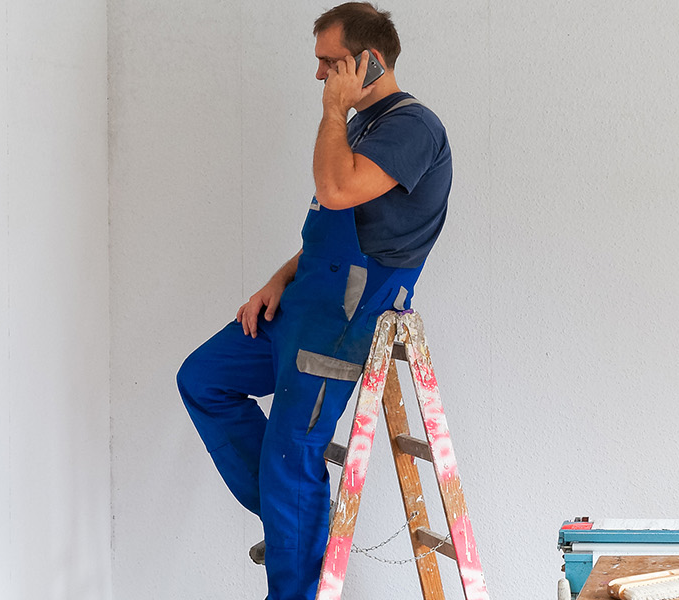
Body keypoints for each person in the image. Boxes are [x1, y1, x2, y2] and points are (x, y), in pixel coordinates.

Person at [175, 4, 452, 598]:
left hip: (347, 315)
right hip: (303, 301)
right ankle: (291, 519)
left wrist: (332, 112)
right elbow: (328, 226)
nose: (321, 76)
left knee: (293, 449)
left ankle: (294, 563)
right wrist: (277, 279)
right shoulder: (358, 129)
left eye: (331, 63)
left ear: (370, 60)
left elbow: (336, 188)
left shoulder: (413, 127)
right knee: (202, 378)